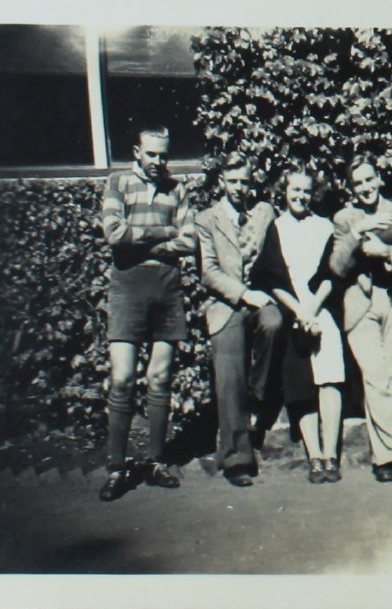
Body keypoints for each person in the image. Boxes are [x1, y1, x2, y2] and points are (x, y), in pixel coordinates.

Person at [99, 125, 197, 501]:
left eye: (163, 155)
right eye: (151, 153)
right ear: (137, 151)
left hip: (167, 289)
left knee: (159, 377)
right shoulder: (118, 184)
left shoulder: (178, 189)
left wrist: (141, 240)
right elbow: (112, 232)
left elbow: (188, 241)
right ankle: (116, 467)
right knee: (123, 378)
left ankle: (156, 461)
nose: (158, 161)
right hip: (128, 289)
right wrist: (161, 235)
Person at [329, 153, 392, 483]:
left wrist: (386, 253)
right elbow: (338, 266)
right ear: (351, 187)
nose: (365, 187)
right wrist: (359, 232)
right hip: (361, 303)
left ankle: (385, 459)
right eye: (358, 183)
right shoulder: (345, 218)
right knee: (375, 376)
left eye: (370, 180)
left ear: (379, 180)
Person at [252, 161, 345, 483]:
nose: (301, 196)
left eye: (307, 191)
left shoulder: (325, 227)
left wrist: (315, 308)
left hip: (323, 308)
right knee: (301, 381)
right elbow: (271, 277)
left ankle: (332, 456)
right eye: (295, 190)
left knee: (330, 376)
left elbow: (333, 274)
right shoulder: (277, 228)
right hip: (294, 311)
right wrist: (300, 312)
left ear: (314, 193)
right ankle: (315, 458)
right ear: (284, 191)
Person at [194, 151, 282, 487]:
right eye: (232, 182)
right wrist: (244, 295)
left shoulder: (263, 214)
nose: (239, 188)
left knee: (274, 324)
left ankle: (257, 397)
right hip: (226, 304)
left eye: (245, 181)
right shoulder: (206, 220)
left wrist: (260, 294)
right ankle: (236, 458)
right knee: (229, 370)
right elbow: (209, 273)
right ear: (221, 182)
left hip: (260, 300)